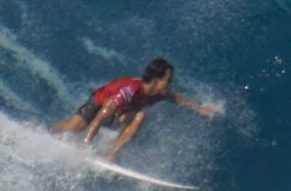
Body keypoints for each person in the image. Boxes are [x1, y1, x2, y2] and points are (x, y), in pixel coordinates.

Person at [50, 58, 221, 160]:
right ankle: (46, 130)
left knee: (140, 115)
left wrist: (199, 108)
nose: (171, 83)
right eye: (168, 80)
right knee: (74, 128)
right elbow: (102, 116)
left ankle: (112, 154)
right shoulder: (130, 89)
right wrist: (86, 143)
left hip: (119, 114)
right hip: (99, 104)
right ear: (156, 80)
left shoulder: (158, 93)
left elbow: (177, 98)